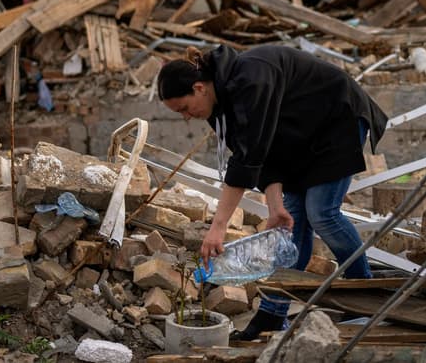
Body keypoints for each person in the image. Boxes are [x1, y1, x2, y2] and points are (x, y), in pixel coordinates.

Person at [157, 44, 387, 340]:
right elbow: (260, 155)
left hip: (336, 119)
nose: (187, 117)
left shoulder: (251, 78)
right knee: (291, 225)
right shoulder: (219, 108)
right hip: (298, 138)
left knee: (322, 213)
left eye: (184, 109)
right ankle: (271, 315)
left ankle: (364, 297)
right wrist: (276, 206)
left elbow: (248, 159)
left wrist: (219, 226)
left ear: (199, 87)